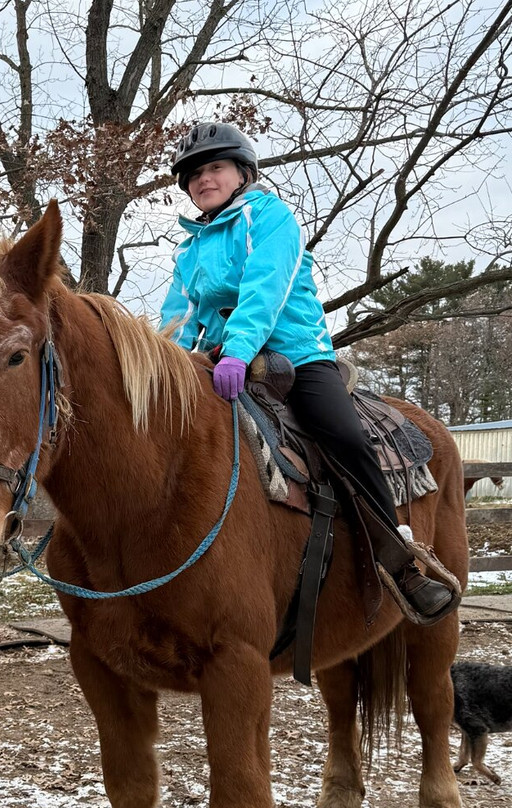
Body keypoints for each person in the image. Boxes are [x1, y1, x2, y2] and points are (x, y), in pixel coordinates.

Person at [160, 121, 458, 624]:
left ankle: (400, 561)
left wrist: (238, 350)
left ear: (242, 172)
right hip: (216, 361)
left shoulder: (271, 218)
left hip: (295, 356)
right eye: (193, 174)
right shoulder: (190, 250)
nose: (203, 179)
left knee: (342, 434)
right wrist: (168, 368)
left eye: (214, 167)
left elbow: (265, 288)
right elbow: (178, 318)